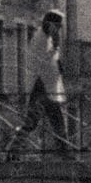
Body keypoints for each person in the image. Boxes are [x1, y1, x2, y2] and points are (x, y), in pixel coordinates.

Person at [10, 9, 70, 156]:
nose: (60, 29)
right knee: (47, 121)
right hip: (42, 87)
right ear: (51, 24)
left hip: (48, 87)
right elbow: (40, 61)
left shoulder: (47, 38)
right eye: (59, 26)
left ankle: (13, 151)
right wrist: (55, 48)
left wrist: (57, 62)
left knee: (42, 121)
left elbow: (50, 61)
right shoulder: (40, 39)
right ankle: (65, 154)